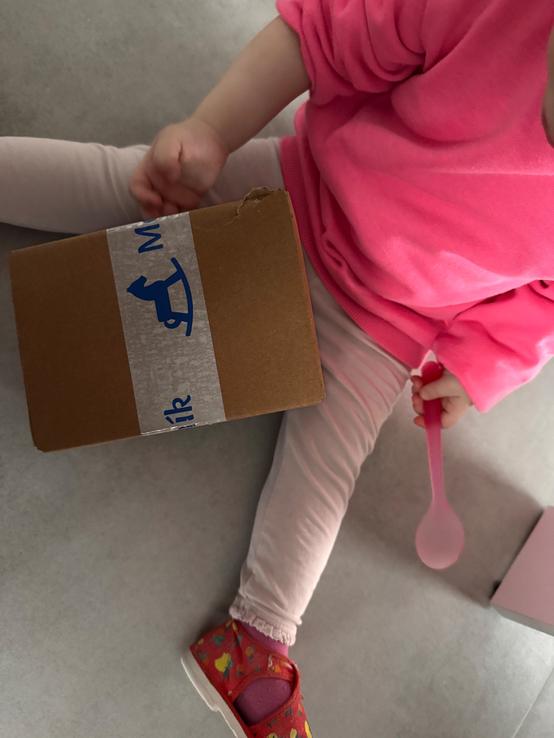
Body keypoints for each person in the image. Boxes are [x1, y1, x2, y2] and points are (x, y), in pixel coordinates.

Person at [1, 1, 553, 736]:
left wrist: (479, 366)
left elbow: (545, 301)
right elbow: (326, 33)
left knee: (325, 472)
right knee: (125, 183)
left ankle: (255, 638)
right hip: (302, 191)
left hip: (390, 321)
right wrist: (212, 129)